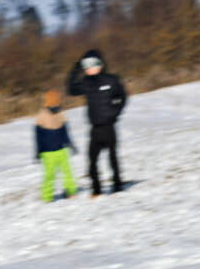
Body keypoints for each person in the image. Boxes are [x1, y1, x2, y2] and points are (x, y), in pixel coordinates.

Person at [65, 49, 128, 196]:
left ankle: (117, 186)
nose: (89, 68)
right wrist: (76, 68)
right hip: (95, 130)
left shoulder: (111, 80)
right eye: (86, 65)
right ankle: (96, 190)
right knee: (92, 161)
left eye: (92, 64)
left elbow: (123, 97)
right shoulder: (86, 83)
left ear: (100, 65)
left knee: (112, 158)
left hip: (109, 127)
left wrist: (115, 113)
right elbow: (70, 89)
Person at [32, 91, 77, 201]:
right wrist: (38, 152)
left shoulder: (61, 114)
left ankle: (70, 191)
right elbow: (38, 137)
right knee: (50, 174)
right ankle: (47, 196)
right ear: (47, 102)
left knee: (67, 171)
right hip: (48, 152)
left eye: (56, 101)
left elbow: (65, 132)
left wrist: (70, 144)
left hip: (61, 149)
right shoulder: (41, 116)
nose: (55, 103)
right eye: (53, 101)